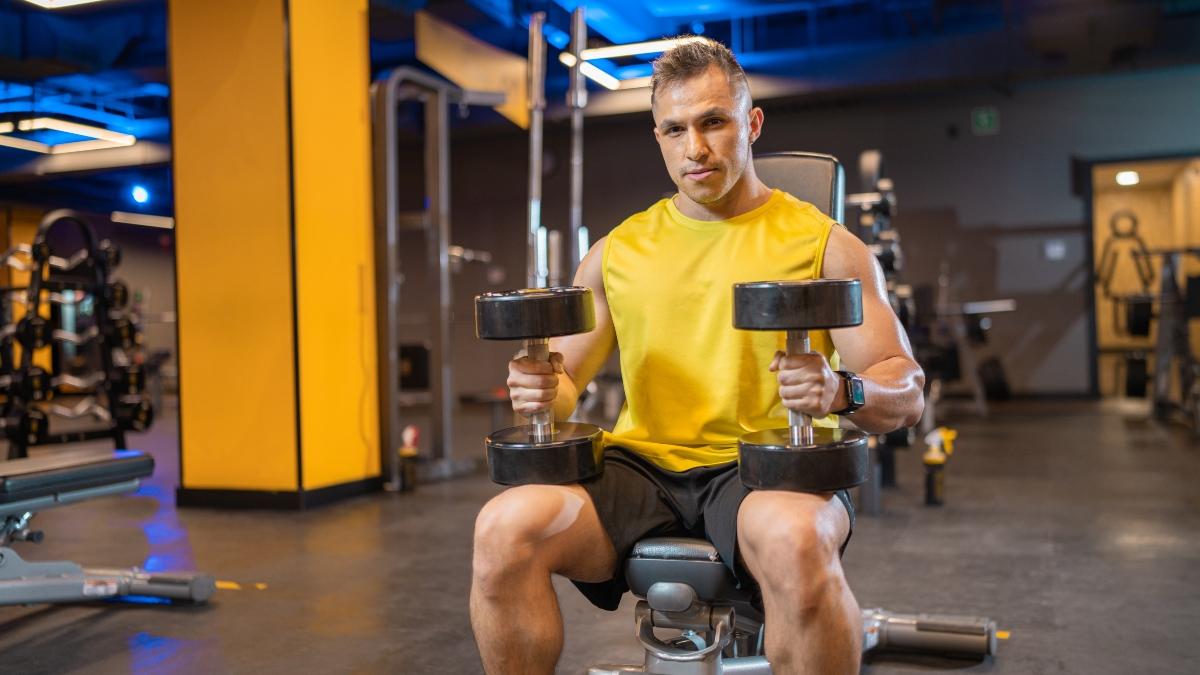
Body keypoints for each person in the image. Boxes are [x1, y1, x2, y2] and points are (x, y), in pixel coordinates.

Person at [470, 37, 924, 675]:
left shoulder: (826, 245)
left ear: (752, 124)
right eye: (675, 129)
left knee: (795, 541)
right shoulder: (617, 252)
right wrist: (542, 388)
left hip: (763, 469)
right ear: (656, 136)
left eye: (714, 122)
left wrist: (843, 391)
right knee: (501, 531)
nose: (696, 149)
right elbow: (566, 376)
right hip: (641, 468)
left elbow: (904, 389)